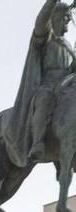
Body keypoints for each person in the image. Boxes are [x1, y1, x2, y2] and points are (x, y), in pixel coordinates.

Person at [8, 0, 75, 167]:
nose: (67, 22)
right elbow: (41, 20)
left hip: (66, 86)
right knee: (44, 100)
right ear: (55, 17)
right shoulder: (45, 37)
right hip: (48, 85)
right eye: (65, 18)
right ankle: (37, 142)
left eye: (69, 19)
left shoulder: (68, 46)